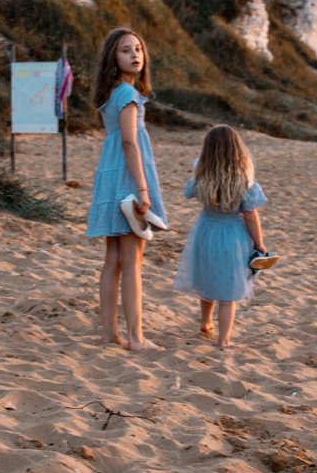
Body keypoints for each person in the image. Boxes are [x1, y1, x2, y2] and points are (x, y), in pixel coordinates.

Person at [86, 27, 168, 351]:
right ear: (112, 57)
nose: (135, 55)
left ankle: (110, 333)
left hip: (110, 173)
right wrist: (143, 190)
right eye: (125, 50)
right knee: (132, 258)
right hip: (127, 176)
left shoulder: (113, 92)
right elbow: (130, 142)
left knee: (113, 258)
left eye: (138, 49)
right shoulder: (127, 95)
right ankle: (136, 337)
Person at [173, 125, 278, 349]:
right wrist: (260, 244)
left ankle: (206, 322)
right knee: (228, 291)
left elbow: (188, 193)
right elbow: (251, 215)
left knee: (208, 279)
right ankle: (224, 339)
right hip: (233, 235)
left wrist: (198, 172)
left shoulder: (202, 172)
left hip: (206, 231)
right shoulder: (245, 180)